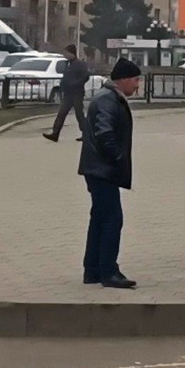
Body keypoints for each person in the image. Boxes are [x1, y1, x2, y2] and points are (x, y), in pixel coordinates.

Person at [78, 58, 142, 289]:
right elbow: (104, 132)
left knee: (100, 217)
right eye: (135, 80)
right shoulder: (107, 99)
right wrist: (117, 157)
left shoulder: (110, 97)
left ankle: (93, 270)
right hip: (102, 169)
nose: (137, 84)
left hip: (98, 168)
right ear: (123, 79)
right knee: (113, 219)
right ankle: (108, 271)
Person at [43, 45, 93, 143]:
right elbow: (66, 77)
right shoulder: (67, 64)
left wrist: (75, 83)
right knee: (61, 113)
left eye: (66, 53)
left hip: (77, 93)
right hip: (68, 93)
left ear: (72, 53)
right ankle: (55, 133)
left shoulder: (80, 64)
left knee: (79, 114)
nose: (64, 55)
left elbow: (86, 76)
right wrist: (63, 85)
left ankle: (86, 134)